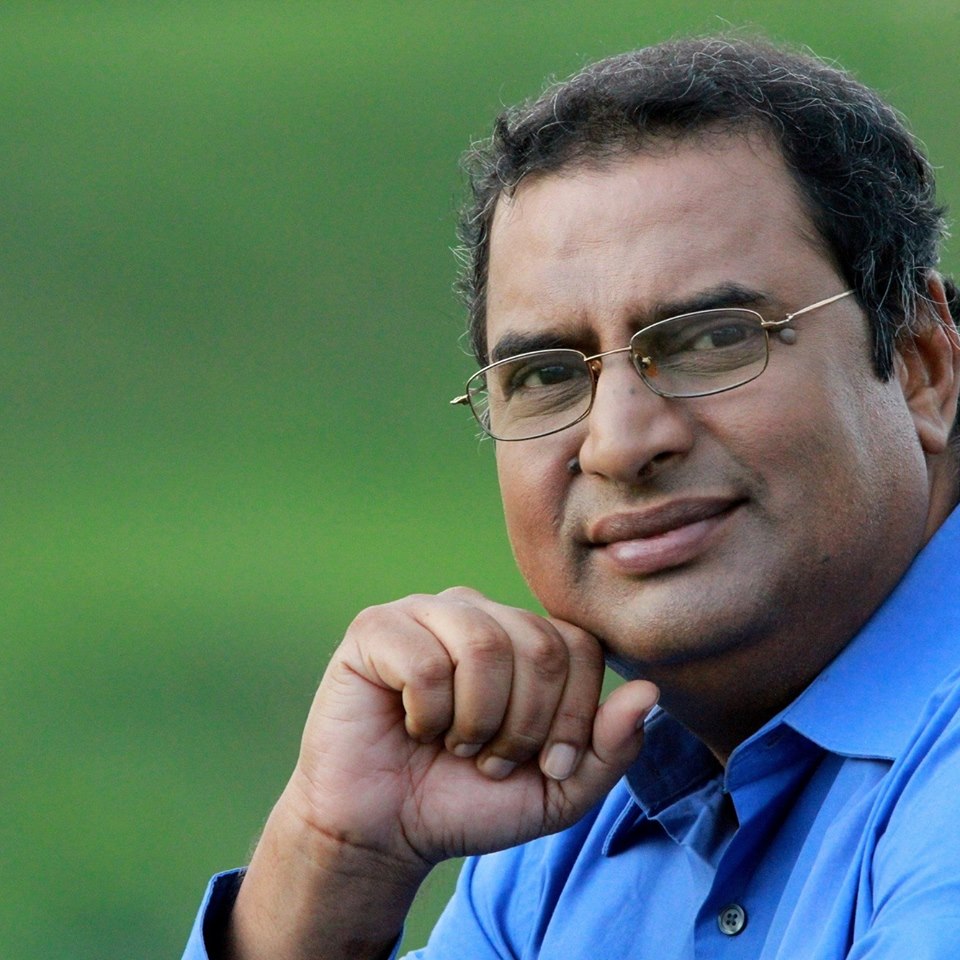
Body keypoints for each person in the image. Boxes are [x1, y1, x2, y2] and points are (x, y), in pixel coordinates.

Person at [182, 35, 960, 959]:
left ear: (921, 366)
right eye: (547, 374)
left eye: (713, 339)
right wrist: (332, 859)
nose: (622, 443)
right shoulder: (572, 796)